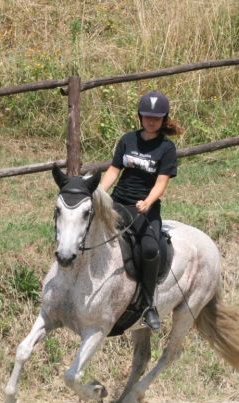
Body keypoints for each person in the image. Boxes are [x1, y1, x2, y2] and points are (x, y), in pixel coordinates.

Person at [98, 90, 181, 331]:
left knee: (150, 247)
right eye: (147, 117)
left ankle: (147, 305)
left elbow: (161, 182)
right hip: (119, 202)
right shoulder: (127, 140)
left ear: (164, 119)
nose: (151, 121)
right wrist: (100, 193)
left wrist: (148, 202)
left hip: (146, 208)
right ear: (140, 117)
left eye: (156, 118)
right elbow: (114, 170)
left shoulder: (167, 148)